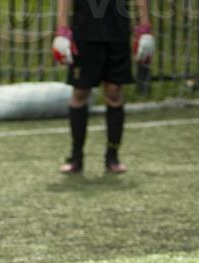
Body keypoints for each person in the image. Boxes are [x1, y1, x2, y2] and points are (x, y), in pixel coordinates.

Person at [52, 0, 153, 175]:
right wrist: (62, 30)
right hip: (85, 34)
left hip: (117, 34)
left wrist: (145, 27)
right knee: (80, 92)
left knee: (114, 92)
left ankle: (112, 156)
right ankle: (76, 157)